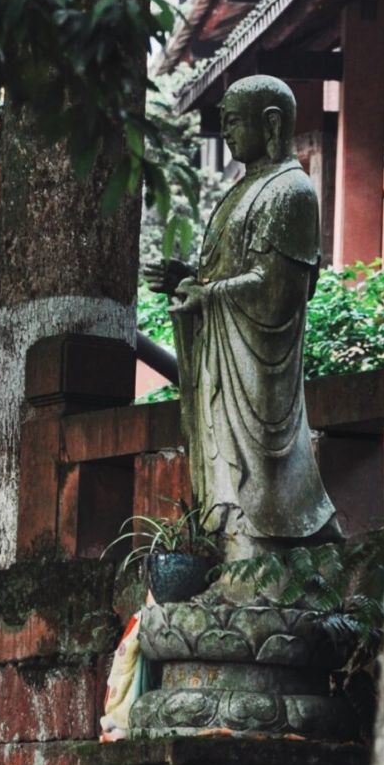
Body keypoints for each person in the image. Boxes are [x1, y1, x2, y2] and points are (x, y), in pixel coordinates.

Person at [145, 75, 341, 560]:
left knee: (261, 479)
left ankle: (267, 556)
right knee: (222, 473)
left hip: (258, 363)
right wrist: (189, 277)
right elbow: (232, 270)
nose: (226, 132)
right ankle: (233, 554)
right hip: (224, 353)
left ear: (270, 123)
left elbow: (278, 290)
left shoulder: (291, 190)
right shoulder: (245, 188)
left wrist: (207, 294)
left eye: (234, 121)